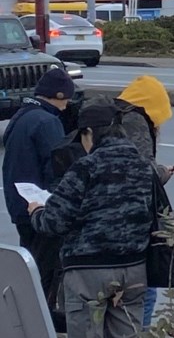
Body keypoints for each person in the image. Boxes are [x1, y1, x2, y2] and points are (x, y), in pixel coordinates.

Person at [28, 102, 154, 338]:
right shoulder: (144, 166)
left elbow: (54, 222)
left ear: (89, 133)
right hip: (134, 268)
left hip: (89, 272)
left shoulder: (86, 167)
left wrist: (36, 211)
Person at [1, 67, 74, 319]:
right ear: (58, 95)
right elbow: (58, 167)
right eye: (66, 100)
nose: (67, 106)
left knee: (28, 271)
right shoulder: (47, 122)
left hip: (19, 206)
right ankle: (39, 324)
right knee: (44, 276)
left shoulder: (21, 116)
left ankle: (23, 321)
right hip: (40, 208)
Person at [114, 75, 174, 326]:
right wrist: (163, 172)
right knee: (145, 290)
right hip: (131, 222)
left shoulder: (111, 117)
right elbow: (142, 172)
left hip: (107, 224)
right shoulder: (135, 121)